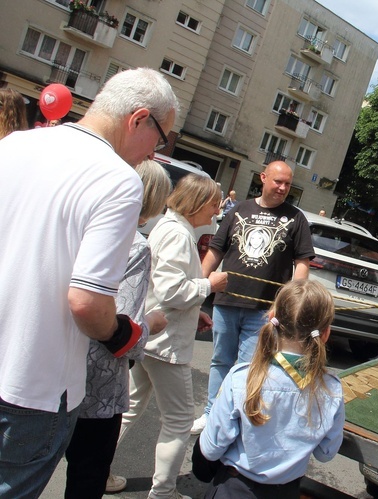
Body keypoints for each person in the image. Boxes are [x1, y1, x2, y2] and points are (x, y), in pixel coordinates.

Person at [0, 67, 178, 498]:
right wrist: (123, 333)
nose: (154, 153)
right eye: (160, 138)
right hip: (34, 386)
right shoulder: (118, 180)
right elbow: (86, 302)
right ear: (138, 119)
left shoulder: (15, 145)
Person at [113, 174, 228, 499]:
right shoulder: (178, 234)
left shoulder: (169, 226)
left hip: (152, 337)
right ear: (199, 203)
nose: (217, 211)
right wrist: (210, 286)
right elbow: (171, 290)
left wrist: (196, 313)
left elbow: (165, 289)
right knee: (178, 421)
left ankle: (100, 470)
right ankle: (162, 492)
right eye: (214, 204)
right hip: (165, 346)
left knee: (130, 407)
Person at [64, 159, 172, 499]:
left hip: (50, 363)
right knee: (87, 473)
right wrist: (152, 323)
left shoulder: (76, 222)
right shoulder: (136, 245)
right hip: (95, 382)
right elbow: (120, 326)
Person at [191, 161, 315, 435]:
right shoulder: (240, 209)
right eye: (278, 181)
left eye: (287, 184)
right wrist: (198, 285)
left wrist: (286, 305)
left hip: (264, 310)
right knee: (221, 362)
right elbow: (215, 251)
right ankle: (212, 415)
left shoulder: (296, 218)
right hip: (227, 302)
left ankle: (235, 419)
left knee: (250, 368)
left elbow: (302, 264)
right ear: (263, 178)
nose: (283, 188)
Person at [197, 279, 344, 498]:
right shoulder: (331, 390)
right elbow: (326, 452)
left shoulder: (242, 378)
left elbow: (211, 448)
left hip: (234, 488)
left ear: (271, 315)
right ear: (325, 333)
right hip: (285, 492)